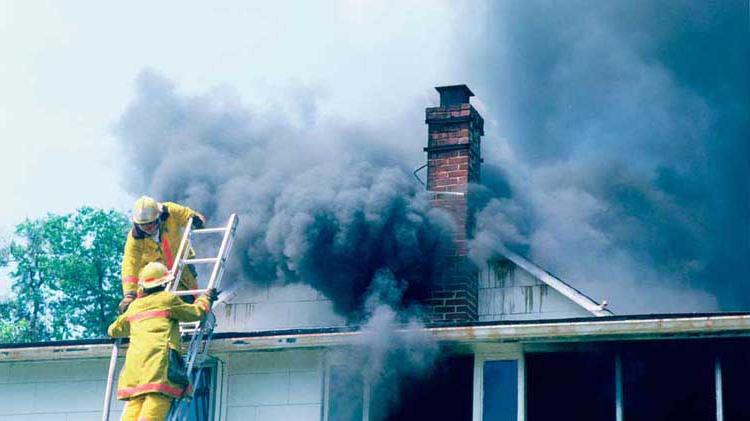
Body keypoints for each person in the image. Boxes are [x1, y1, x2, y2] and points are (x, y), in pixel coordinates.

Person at [108, 261, 218, 421]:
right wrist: (205, 299)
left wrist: (123, 311)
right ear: (166, 282)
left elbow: (113, 330)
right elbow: (196, 313)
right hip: (160, 368)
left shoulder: (135, 307)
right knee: (153, 408)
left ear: (143, 286)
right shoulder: (167, 299)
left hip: (135, 371)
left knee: (133, 408)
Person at [119, 196, 207, 313]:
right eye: (143, 225)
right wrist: (129, 294)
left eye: (151, 223)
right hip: (155, 279)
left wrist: (197, 221)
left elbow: (189, 215)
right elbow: (130, 265)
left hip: (182, 269)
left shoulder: (171, 211)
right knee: (156, 309)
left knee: (189, 304)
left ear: (159, 217)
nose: (148, 228)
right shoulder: (135, 239)